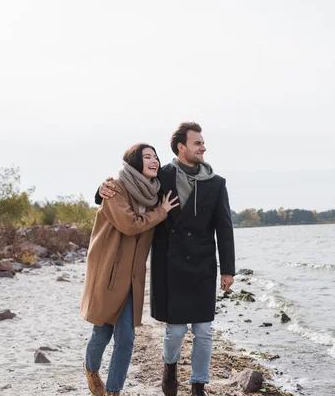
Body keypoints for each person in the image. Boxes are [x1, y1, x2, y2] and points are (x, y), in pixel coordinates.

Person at [97, 122, 236, 396]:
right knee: (174, 333)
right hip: (170, 266)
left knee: (204, 331)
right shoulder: (161, 175)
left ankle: (198, 385)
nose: (203, 147)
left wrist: (228, 269)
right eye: (198, 143)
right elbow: (127, 186)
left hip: (203, 266)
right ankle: (170, 366)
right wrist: (100, 189)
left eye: (203, 142)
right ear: (181, 147)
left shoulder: (216, 184)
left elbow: (225, 227)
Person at [81, 143, 179, 396]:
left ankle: (114, 391)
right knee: (101, 333)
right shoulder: (115, 187)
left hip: (134, 277)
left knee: (126, 339)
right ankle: (90, 369)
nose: (154, 160)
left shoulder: (155, 193)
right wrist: (161, 213)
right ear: (134, 162)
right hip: (109, 271)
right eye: (147, 157)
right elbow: (128, 225)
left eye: (156, 156)